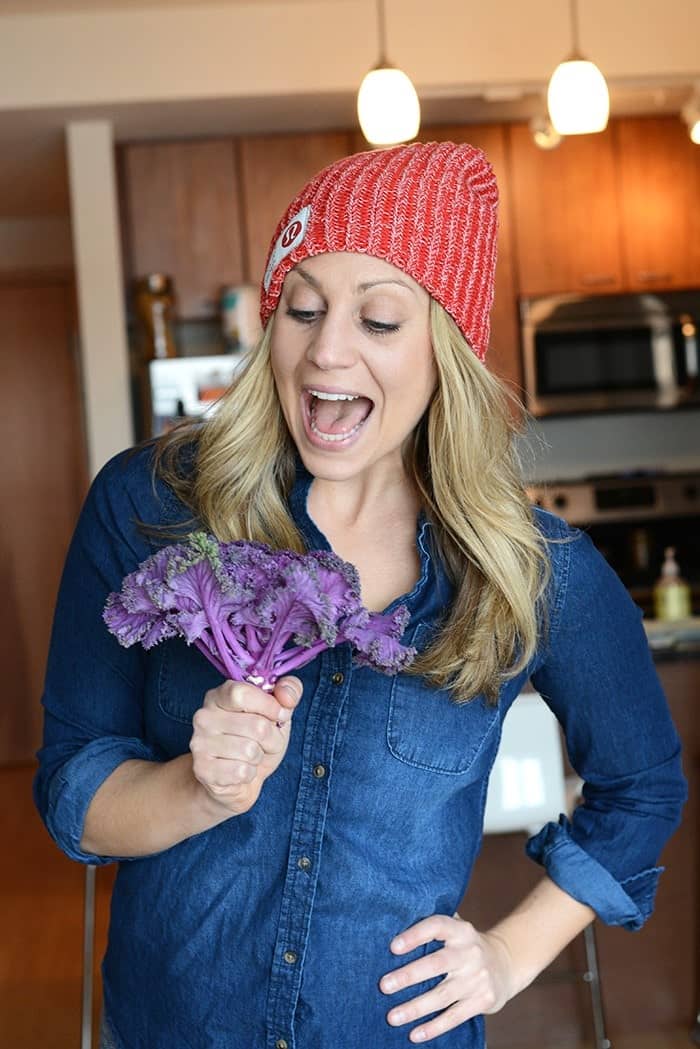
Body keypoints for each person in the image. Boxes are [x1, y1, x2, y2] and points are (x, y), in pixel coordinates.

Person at [34, 141, 686, 1049]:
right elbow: (73, 786)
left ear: (445, 349)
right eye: (302, 309)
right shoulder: (152, 503)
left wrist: (507, 954)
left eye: (378, 321)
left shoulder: (525, 566)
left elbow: (643, 784)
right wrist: (195, 789)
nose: (325, 351)